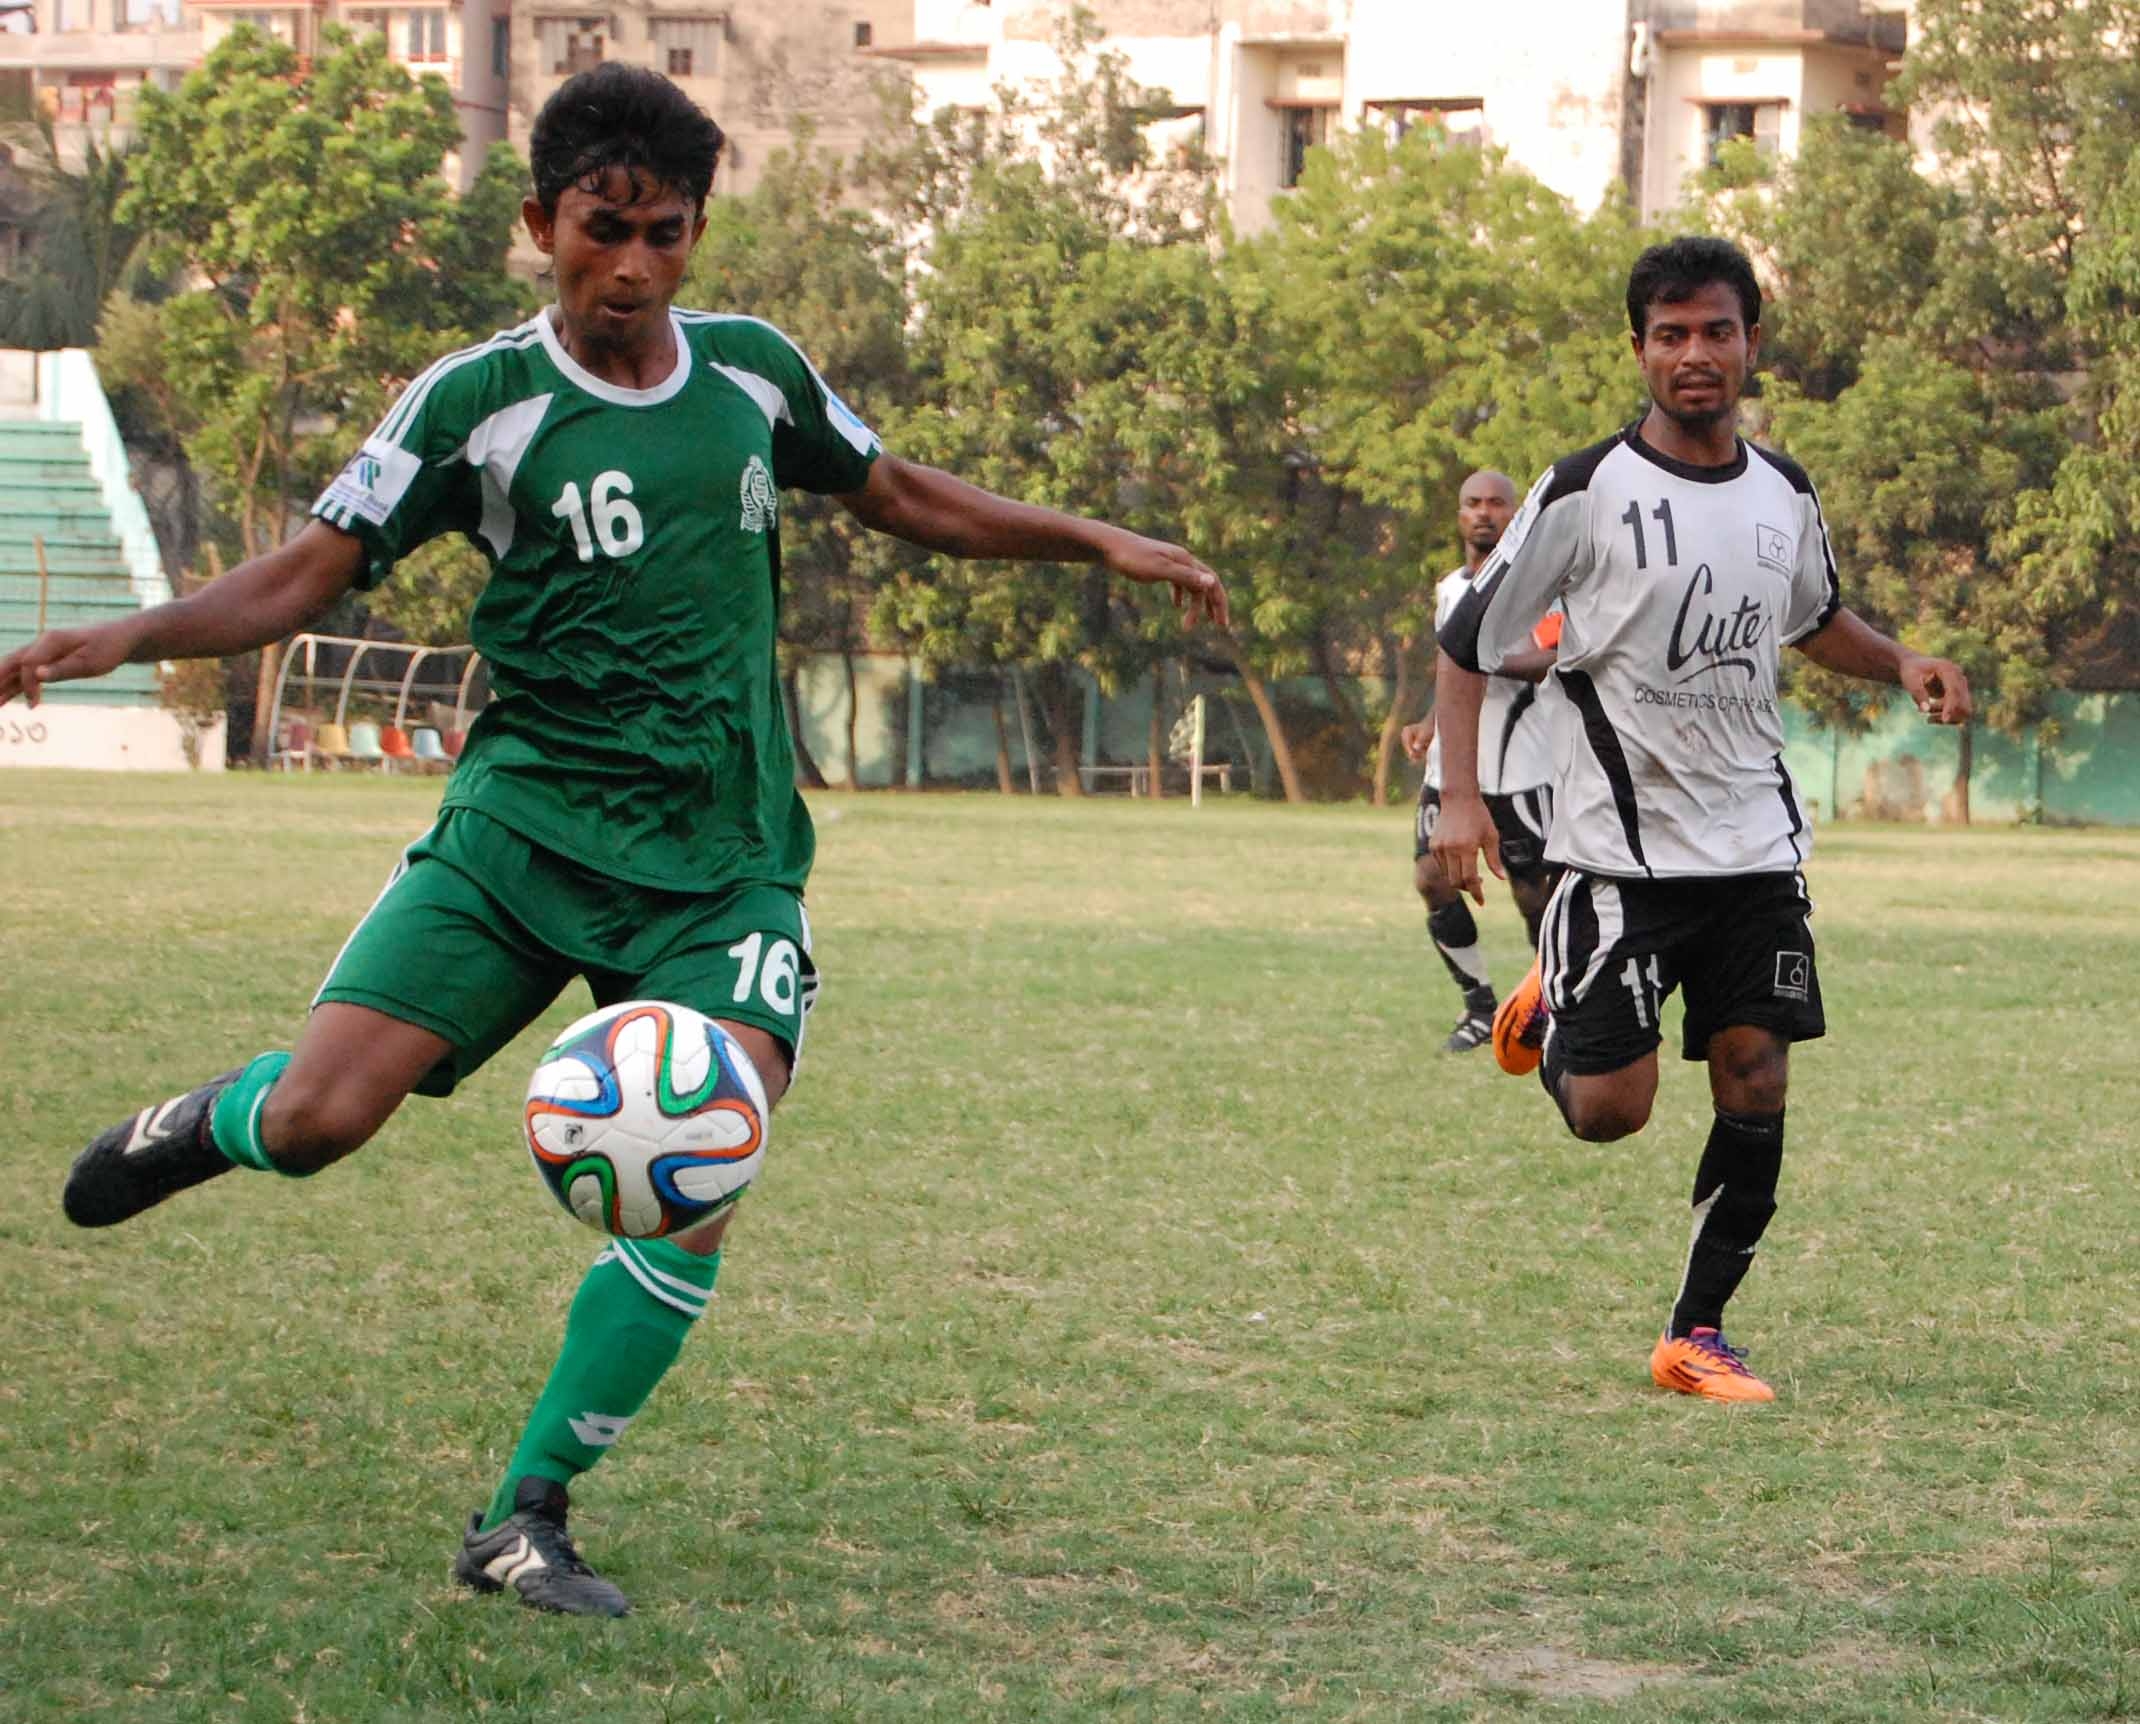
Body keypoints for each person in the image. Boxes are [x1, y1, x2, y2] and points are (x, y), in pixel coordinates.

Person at [0, 66, 1227, 1615]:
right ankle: (207, 1122)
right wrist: (123, 634)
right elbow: (303, 578)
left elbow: (901, 490)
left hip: (722, 864)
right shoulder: (472, 404)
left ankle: (526, 1512)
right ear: (541, 226)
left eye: (661, 235)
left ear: (697, 235)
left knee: (702, 1156)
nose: (630, 268)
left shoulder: (756, 377)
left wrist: (1095, 537)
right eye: (600, 232)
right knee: (319, 1124)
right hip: (521, 835)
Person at [1430, 236, 1970, 1404]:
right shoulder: (1583, 491)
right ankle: (1548, 1009)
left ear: (1750, 342)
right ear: (1638, 349)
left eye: (1714, 330)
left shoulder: (1783, 491)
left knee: (1757, 1077)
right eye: (1669, 334)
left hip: (1756, 850)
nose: (1693, 354)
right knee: (1611, 1115)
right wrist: (1463, 800)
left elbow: (1814, 618)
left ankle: (1695, 1334)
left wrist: (1901, 660)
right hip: (1620, 862)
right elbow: (1466, 639)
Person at [1399, 470, 1560, 1051]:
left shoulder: (1541, 586)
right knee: (1430, 879)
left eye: (1497, 503)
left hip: (1520, 771)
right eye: (1472, 503)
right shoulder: (1449, 589)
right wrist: (1428, 719)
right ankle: (1478, 1007)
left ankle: (1550, 1013)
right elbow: (1450, 667)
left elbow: (1549, 658)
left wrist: (1483, 656)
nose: (1484, 513)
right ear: (1459, 515)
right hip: (1449, 774)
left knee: (1536, 896)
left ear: (1517, 514)